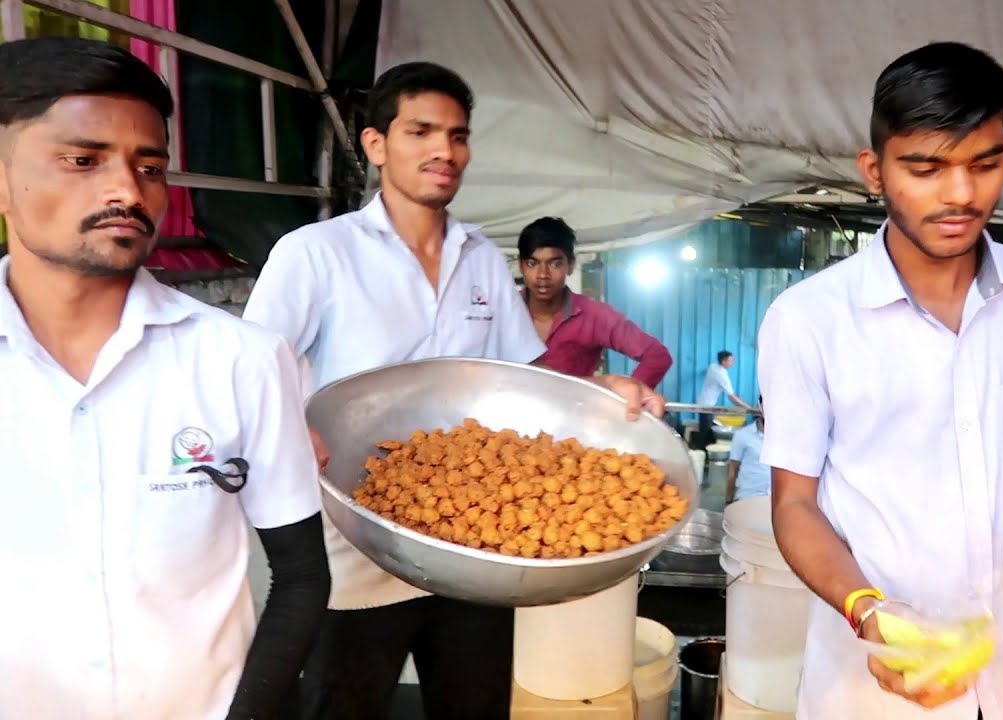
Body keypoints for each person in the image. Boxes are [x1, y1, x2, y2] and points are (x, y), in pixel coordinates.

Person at [243, 62, 663, 719]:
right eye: (421, 131)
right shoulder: (317, 253)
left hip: (476, 554)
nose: (445, 150)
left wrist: (602, 385)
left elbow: (523, 374)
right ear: (376, 144)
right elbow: (251, 366)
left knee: (475, 705)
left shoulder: (481, 258)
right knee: (340, 705)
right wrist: (294, 426)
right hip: (356, 544)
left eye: (459, 135)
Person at [756, 42, 1003, 720]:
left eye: (984, 164)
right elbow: (794, 505)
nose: (960, 194)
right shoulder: (809, 320)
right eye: (925, 168)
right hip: (874, 688)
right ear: (875, 170)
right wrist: (868, 611)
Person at [0, 37, 329, 720]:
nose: (126, 190)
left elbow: (300, 578)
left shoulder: (241, 361)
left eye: (149, 166)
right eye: (83, 160)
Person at [517, 216, 672, 387]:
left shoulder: (594, 315)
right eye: (532, 263)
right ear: (521, 266)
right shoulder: (502, 312)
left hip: (575, 412)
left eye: (555, 264)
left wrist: (627, 397)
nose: (542, 275)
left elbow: (657, 355)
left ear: (570, 265)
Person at [694, 350, 751, 449]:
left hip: (703, 404)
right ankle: (703, 453)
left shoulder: (713, 366)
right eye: (730, 360)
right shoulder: (721, 374)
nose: (733, 362)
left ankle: (704, 451)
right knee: (706, 433)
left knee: (706, 430)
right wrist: (748, 408)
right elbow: (732, 397)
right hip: (706, 406)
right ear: (724, 362)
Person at [725, 396, 767, 504]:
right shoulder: (742, 436)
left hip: (776, 501)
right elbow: (732, 471)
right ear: (759, 406)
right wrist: (728, 502)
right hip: (748, 498)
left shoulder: (785, 439)